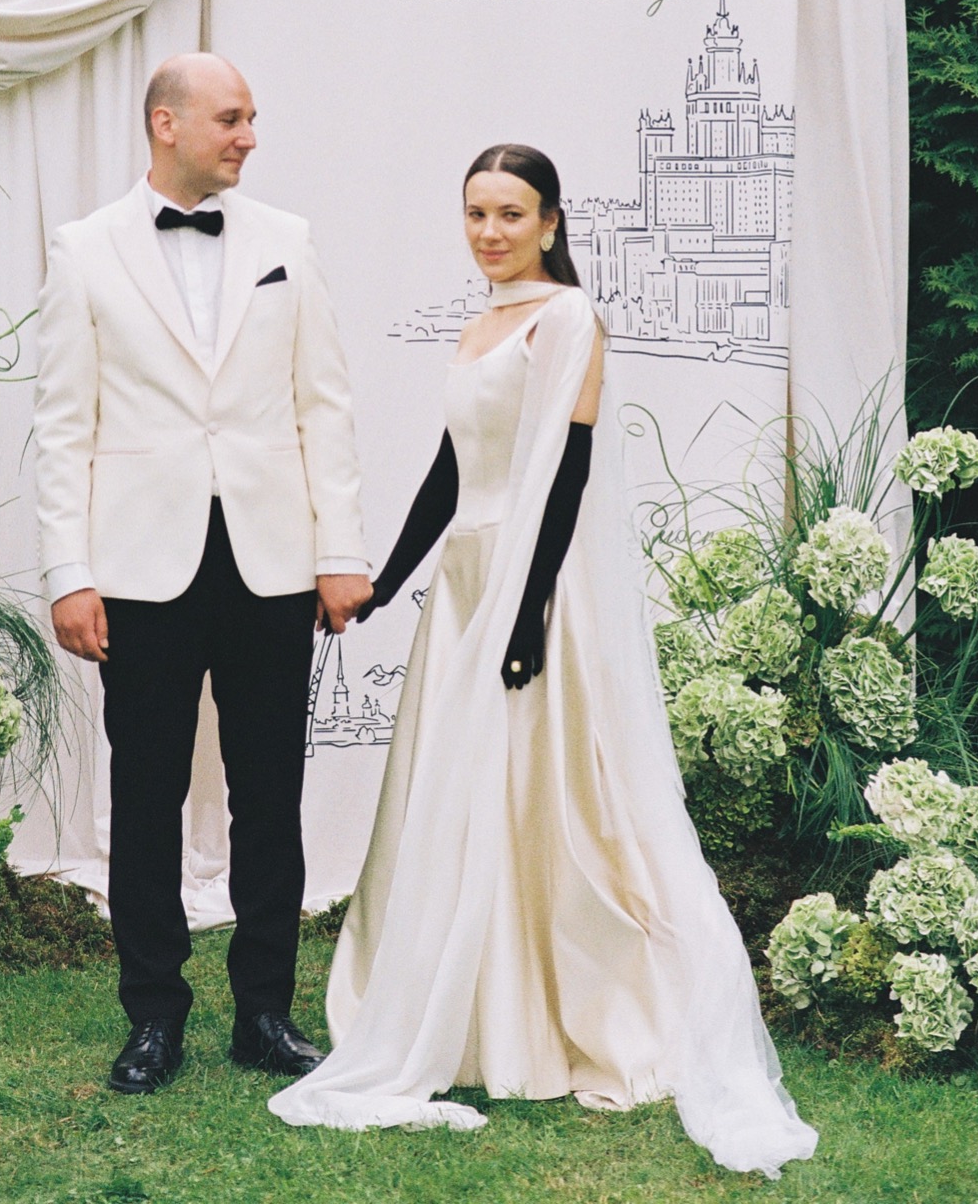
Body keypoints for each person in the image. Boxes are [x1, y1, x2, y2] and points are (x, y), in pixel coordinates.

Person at [269, 144, 817, 1180]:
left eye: (510, 214)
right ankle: (474, 1006)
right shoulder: (479, 323)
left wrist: (523, 620)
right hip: (464, 587)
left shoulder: (569, 320)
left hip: (536, 589)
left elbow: (562, 481)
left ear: (551, 223)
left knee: (538, 792)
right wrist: (382, 584)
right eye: (475, 213)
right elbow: (453, 470)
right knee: (461, 791)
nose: (489, 232)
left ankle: (570, 1008)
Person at [35, 53, 372, 1096]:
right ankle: (153, 1017)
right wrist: (69, 572)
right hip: (139, 570)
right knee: (145, 798)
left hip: (272, 563)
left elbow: (324, 408)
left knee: (271, 795)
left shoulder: (287, 242)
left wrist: (338, 554)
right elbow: (62, 429)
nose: (248, 137)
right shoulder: (84, 249)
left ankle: (265, 1013)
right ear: (166, 123)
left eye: (251, 118)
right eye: (231, 118)